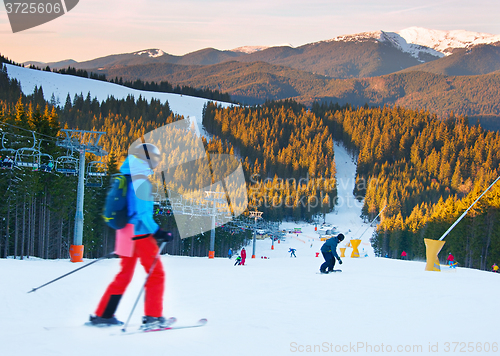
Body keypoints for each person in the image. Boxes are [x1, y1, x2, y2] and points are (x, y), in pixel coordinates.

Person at [89, 143, 173, 329]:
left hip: (124, 235)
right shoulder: (141, 179)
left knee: (124, 275)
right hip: (141, 236)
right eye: (154, 160)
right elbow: (143, 214)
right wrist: (159, 232)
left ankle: (104, 314)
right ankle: (153, 317)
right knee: (156, 274)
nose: (155, 164)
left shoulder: (126, 175)